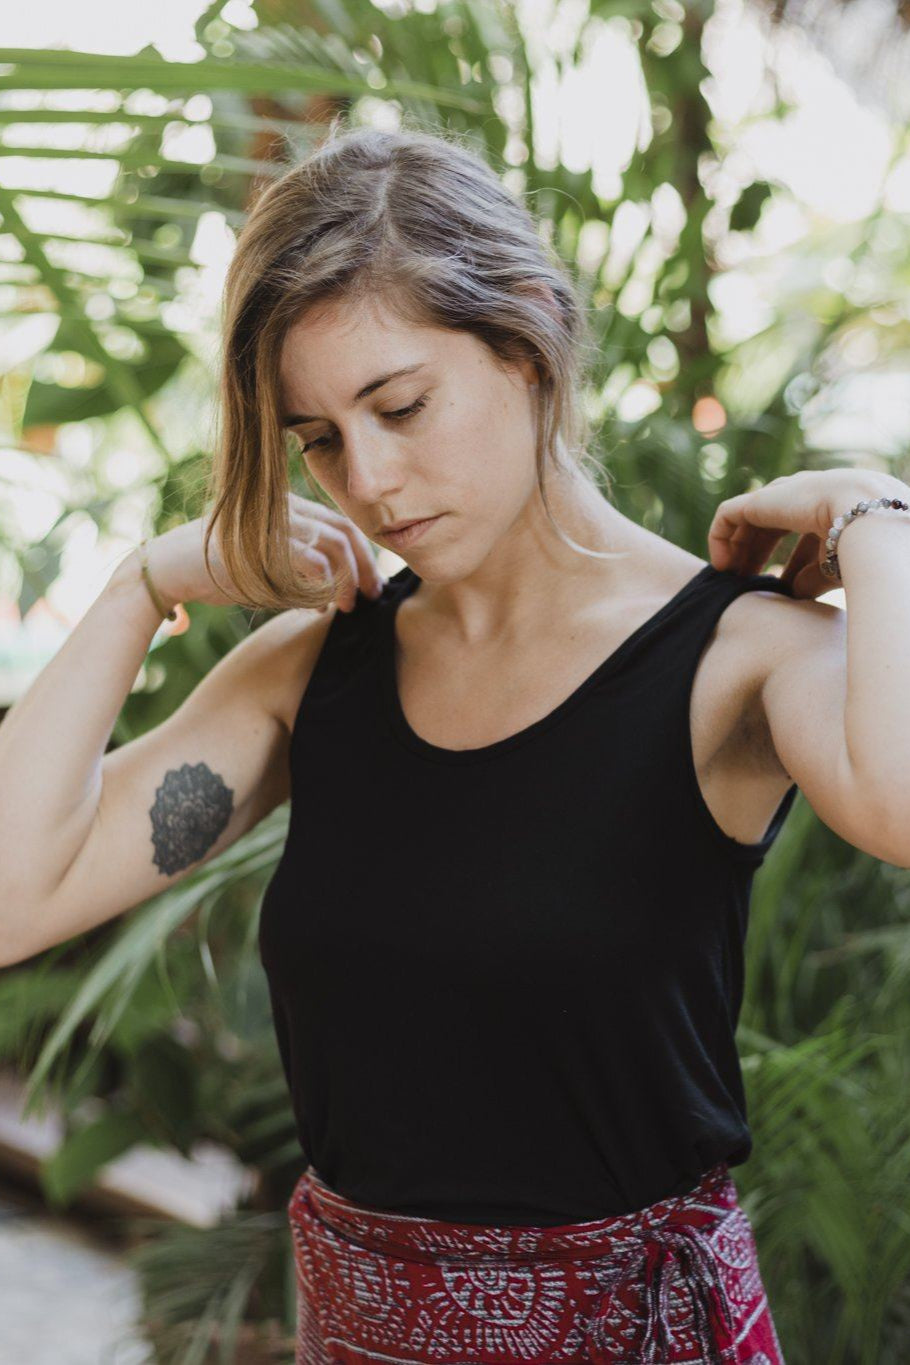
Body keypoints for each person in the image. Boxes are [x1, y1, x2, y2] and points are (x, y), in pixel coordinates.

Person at [3, 116, 907, 1365]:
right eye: (317, 439)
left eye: (401, 404)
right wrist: (134, 591)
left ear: (527, 337)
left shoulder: (734, 658)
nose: (366, 480)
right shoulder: (318, 666)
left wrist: (874, 514)